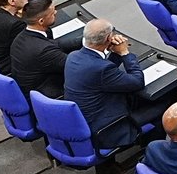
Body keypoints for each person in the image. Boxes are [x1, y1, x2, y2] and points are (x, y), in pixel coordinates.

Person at [64, 19, 162, 150]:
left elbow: (104, 71)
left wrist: (114, 53)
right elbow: (137, 82)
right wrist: (124, 53)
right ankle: (153, 154)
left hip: (85, 120)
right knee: (164, 103)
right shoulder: (100, 69)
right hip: (108, 128)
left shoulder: (73, 56)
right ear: (109, 38)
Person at [9, 0, 69, 98]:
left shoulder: (22, 36)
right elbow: (75, 65)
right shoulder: (44, 51)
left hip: (30, 88)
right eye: (52, 12)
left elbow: (56, 44)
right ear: (41, 21)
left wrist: (85, 40)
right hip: (48, 97)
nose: (56, 12)